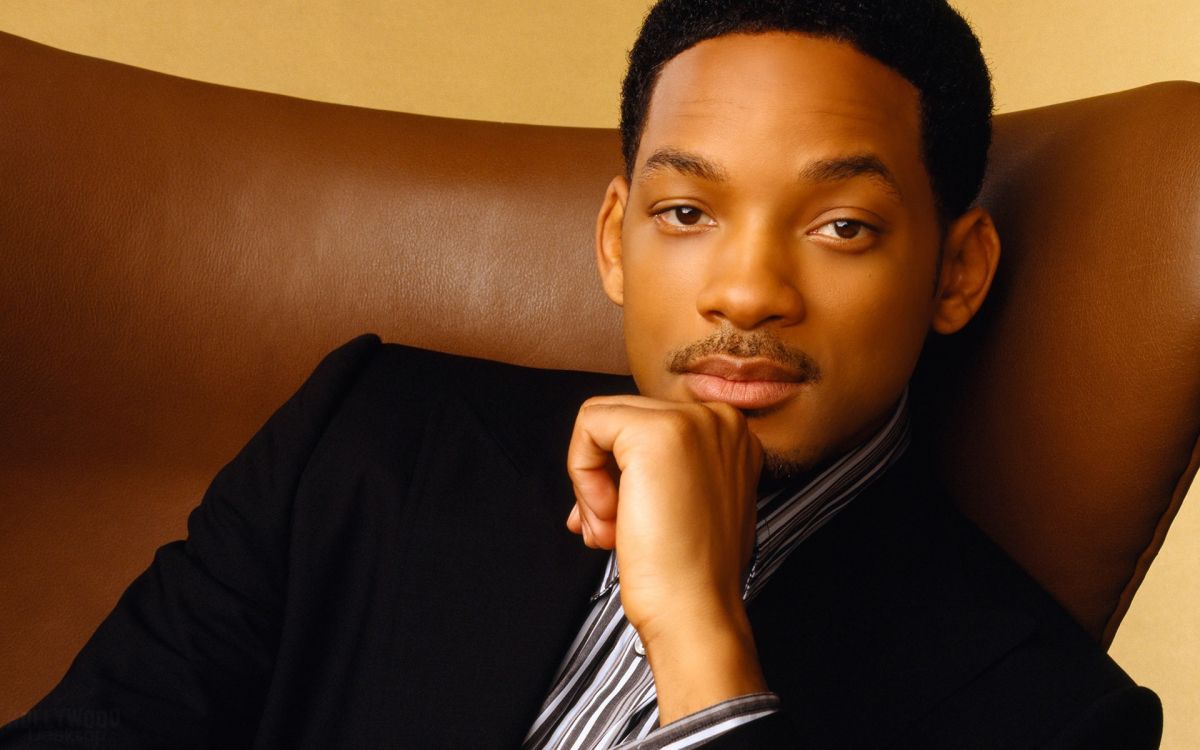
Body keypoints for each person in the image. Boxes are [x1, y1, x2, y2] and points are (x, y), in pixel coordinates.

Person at [0, 0, 1163, 748]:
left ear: (958, 273)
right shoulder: (368, 439)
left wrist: (705, 645)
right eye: (686, 210)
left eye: (841, 226)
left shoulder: (1053, 718)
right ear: (617, 240)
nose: (746, 291)